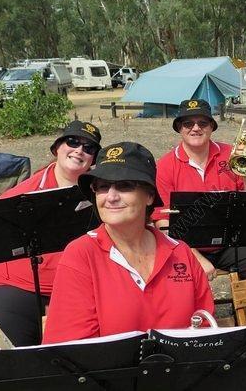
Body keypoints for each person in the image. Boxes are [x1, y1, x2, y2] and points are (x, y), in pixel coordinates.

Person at [43, 142, 214, 343]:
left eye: (124, 186)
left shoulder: (180, 252)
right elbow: (73, 349)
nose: (111, 197)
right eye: (102, 187)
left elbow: (205, 331)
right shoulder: (81, 255)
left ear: (150, 195)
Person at [0, 120, 102, 348]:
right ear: (56, 148)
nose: (79, 150)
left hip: (77, 284)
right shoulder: (22, 194)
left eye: (89, 148)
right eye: (73, 141)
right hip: (17, 284)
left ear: (93, 160)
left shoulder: (102, 194)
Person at [152, 99, 246, 279]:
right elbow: (163, 222)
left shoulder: (231, 154)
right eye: (188, 123)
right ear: (179, 128)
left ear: (211, 127)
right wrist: (194, 256)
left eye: (203, 123)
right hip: (185, 246)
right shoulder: (165, 166)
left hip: (230, 244)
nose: (195, 128)